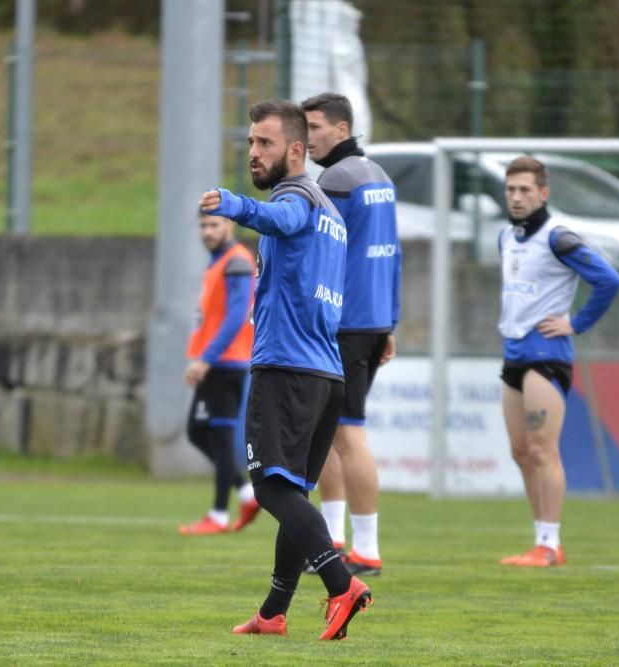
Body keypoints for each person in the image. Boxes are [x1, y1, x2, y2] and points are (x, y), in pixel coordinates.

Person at [199, 99, 371, 640]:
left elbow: (280, 218)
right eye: (251, 142)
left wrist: (234, 206)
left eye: (265, 143)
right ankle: (273, 613)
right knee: (291, 490)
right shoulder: (334, 217)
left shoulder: (294, 196)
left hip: (288, 369)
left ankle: (342, 585)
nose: (254, 152)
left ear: (296, 150)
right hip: (326, 374)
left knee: (271, 490)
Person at [497, 156, 619, 567]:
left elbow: (608, 279)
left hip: (546, 357)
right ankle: (541, 541)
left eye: (525, 190)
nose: (516, 197)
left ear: (543, 193)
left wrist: (576, 323)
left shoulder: (558, 237)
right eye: (511, 189)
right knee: (520, 451)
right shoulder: (506, 237)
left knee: (542, 448)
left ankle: (550, 544)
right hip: (513, 354)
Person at [301, 92, 401, 577]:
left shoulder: (335, 179)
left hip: (343, 324)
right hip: (374, 322)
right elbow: (393, 255)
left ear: (342, 129)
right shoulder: (378, 175)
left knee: (348, 435)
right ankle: (335, 542)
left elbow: (324, 251)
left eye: (315, 127)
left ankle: (364, 549)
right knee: (332, 433)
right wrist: (391, 323)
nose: (308, 137)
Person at [178, 213, 259, 535]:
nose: (208, 231)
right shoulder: (219, 262)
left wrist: (206, 360)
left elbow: (237, 316)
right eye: (203, 225)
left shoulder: (237, 261)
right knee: (197, 431)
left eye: (215, 225)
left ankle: (219, 514)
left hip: (226, 363)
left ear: (230, 226)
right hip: (218, 362)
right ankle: (246, 492)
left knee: (219, 435)